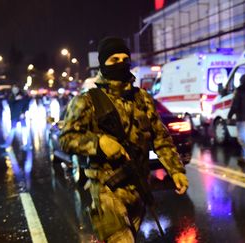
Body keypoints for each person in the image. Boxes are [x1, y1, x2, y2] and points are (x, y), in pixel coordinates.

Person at [59, 37, 188, 242]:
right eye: (114, 59)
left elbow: (160, 137)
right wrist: (99, 143)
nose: (121, 63)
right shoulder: (87, 101)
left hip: (138, 187)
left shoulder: (142, 98)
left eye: (124, 58)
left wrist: (176, 170)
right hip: (106, 192)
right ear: (103, 64)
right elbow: (66, 139)